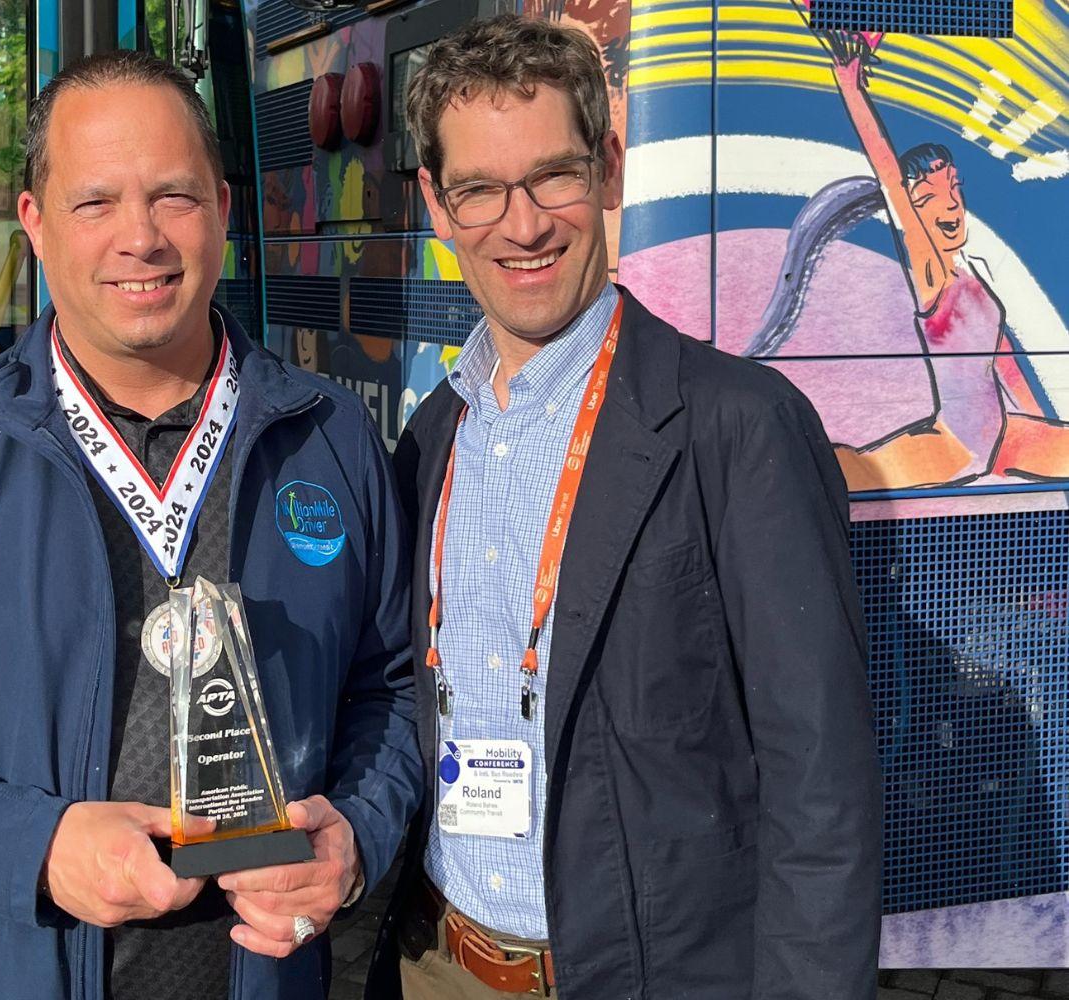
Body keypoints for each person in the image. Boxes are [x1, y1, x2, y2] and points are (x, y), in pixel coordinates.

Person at [0, 49, 420, 1000]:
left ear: (222, 208)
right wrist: (38, 848)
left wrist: (357, 834)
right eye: (96, 202)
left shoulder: (327, 437)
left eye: (173, 197)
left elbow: (394, 694)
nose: (141, 237)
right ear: (36, 225)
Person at [366, 14, 882, 999]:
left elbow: (822, 794)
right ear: (437, 203)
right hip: (436, 965)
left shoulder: (739, 427)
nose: (522, 226)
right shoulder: (429, 438)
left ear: (608, 169)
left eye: (553, 174)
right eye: (478, 189)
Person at [815, 26, 1069, 490]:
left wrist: (1038, 433)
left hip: (1005, 438)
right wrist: (851, 91)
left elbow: (1004, 361)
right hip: (954, 443)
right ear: (912, 211)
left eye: (955, 189)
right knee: (844, 469)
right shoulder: (931, 272)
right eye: (932, 196)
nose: (951, 203)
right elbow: (891, 178)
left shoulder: (973, 275)